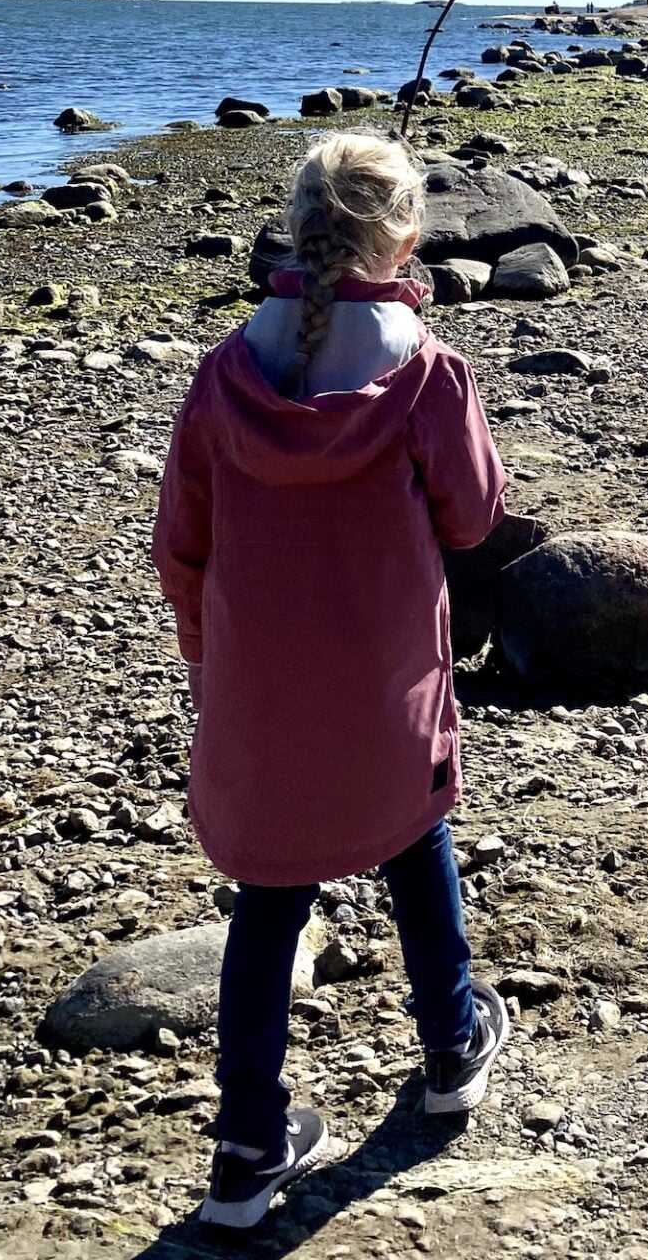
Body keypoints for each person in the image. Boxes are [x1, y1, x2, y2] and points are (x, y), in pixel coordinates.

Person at [153, 133, 509, 1232]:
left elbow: (180, 544)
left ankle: (246, 1149)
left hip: (261, 693)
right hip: (387, 683)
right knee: (417, 839)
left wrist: (204, 654)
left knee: (271, 900)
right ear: (406, 237)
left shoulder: (228, 371)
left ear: (299, 227)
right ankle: (451, 1045)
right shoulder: (425, 371)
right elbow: (475, 516)